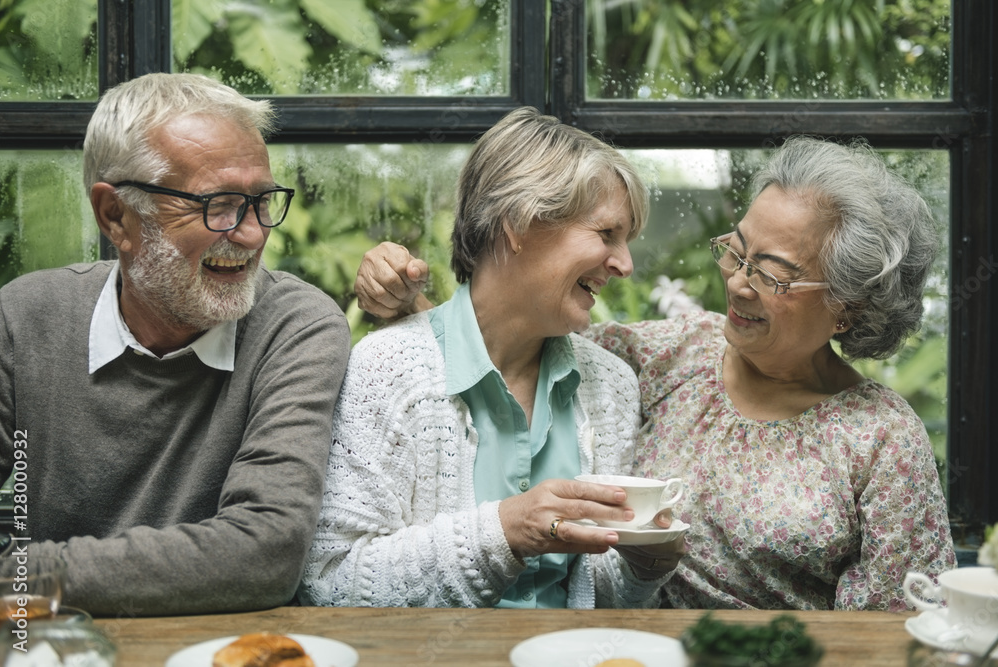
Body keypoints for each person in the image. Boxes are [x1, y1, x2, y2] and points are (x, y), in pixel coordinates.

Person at [352, 135, 957, 611]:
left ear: (849, 304)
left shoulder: (881, 438)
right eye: (736, 250)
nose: (737, 282)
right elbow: (510, 329)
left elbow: (901, 626)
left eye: (771, 272)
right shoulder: (675, 354)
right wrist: (408, 303)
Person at [298, 107, 685, 610]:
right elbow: (330, 584)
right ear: (519, 223)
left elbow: (601, 597)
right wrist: (506, 531)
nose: (625, 264)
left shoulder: (609, 384)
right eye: (606, 234)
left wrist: (643, 566)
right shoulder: (386, 369)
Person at [0, 73, 350, 616]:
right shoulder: (24, 319)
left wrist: (24, 575)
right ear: (117, 216)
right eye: (218, 205)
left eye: (261, 202)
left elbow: (265, 553)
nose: (253, 233)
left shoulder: (295, 325)